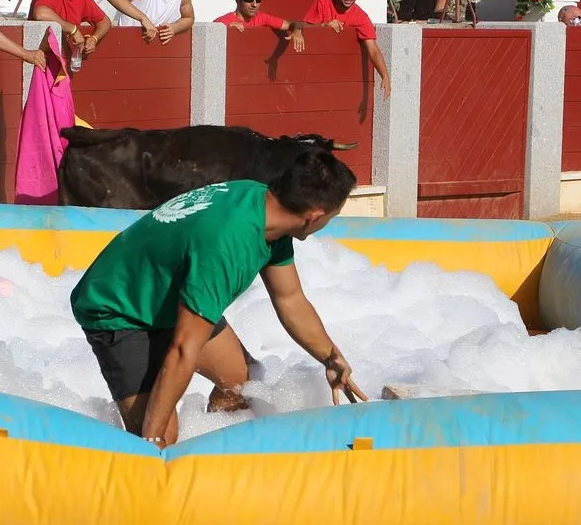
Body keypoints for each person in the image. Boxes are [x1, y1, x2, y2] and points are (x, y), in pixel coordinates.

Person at [70, 152, 368, 449]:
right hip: (118, 307)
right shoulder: (227, 247)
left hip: (170, 294)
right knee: (160, 439)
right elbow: (183, 350)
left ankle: (214, 455)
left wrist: (331, 357)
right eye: (332, 216)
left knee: (243, 382)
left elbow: (290, 299)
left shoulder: (266, 211)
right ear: (314, 216)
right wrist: (152, 445)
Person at [302, 0, 392, 98]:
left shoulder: (361, 16)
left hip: (339, 76)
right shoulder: (322, 3)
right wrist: (323, 26)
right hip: (311, 70)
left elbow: (373, 50)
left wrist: (385, 76)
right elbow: (302, 28)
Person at [213, 0, 305, 52]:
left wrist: (297, 31)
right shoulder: (222, 23)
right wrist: (226, 31)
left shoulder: (262, 17)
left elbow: (293, 23)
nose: (254, 4)